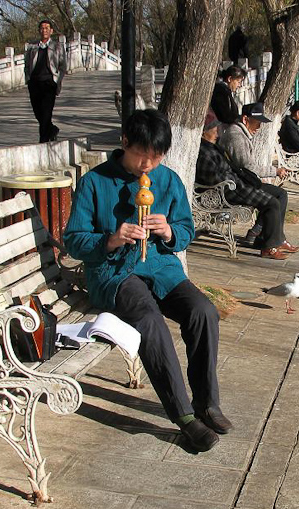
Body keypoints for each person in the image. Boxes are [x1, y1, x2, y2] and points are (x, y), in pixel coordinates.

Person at [64, 109, 230, 453]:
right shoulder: (95, 182)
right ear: (125, 143)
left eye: (156, 157)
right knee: (150, 322)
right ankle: (183, 417)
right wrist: (110, 239)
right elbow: (74, 240)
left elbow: (185, 230)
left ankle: (206, 402)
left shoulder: (167, 180)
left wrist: (169, 230)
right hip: (115, 274)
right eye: (143, 155)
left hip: (160, 269)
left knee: (203, 312)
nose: (147, 165)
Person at [196, 109, 299, 260]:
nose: (218, 131)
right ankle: (268, 248)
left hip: (236, 183)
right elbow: (219, 177)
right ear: (204, 132)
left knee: (279, 194)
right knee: (271, 203)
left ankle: (270, 239)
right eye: (214, 128)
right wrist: (269, 173)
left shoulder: (213, 146)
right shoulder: (210, 148)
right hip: (228, 190)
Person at [218, 102, 292, 251]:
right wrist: (274, 171)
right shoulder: (236, 135)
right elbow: (247, 165)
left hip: (241, 182)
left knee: (280, 195)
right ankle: (268, 242)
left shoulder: (240, 133)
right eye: (257, 123)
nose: (259, 127)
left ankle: (267, 236)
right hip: (235, 186)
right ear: (245, 119)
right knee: (275, 200)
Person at [24, 19, 67, 143]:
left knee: (46, 111)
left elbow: (63, 66)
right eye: (42, 28)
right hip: (34, 83)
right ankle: (52, 129)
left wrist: (57, 81)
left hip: (49, 83)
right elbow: (26, 64)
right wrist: (28, 79)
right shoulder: (32, 47)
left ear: (51, 31)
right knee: (38, 112)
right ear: (39, 30)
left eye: (47, 28)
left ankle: (43, 140)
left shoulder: (57, 46)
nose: (44, 30)